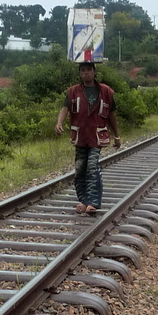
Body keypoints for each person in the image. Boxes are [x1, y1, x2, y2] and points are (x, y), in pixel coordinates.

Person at [55, 62, 121, 215]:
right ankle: (83, 200)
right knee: (79, 169)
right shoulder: (73, 92)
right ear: (80, 73)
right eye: (83, 70)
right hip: (80, 136)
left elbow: (112, 116)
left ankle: (93, 202)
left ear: (94, 72)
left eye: (89, 70)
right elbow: (65, 108)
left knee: (92, 166)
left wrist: (117, 136)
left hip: (96, 136)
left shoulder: (106, 92)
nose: (86, 73)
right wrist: (59, 123)